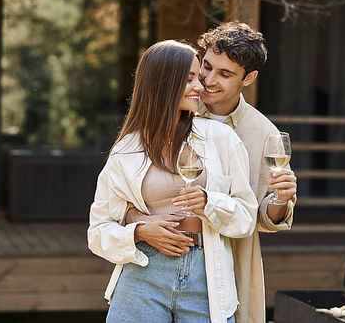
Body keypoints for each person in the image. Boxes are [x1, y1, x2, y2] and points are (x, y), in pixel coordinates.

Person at [126, 21, 297, 323]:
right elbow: (126, 191)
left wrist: (282, 198)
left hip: (227, 267)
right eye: (206, 66)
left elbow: (261, 216)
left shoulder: (263, 134)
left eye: (225, 74)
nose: (207, 80)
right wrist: (138, 221)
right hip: (156, 265)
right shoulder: (172, 110)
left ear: (249, 78)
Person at [87, 40, 259, 323]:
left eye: (198, 78)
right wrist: (140, 231)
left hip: (206, 277)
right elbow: (98, 231)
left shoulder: (221, 139)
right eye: (189, 79)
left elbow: (245, 218)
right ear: (162, 83)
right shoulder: (127, 150)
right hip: (143, 273)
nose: (200, 87)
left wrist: (209, 202)